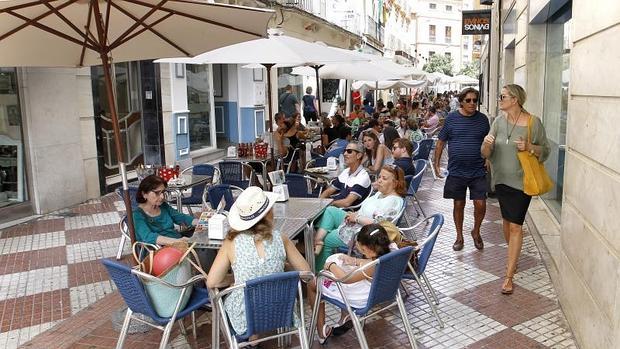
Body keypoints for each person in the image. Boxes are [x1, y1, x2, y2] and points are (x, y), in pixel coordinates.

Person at [207, 186, 311, 335]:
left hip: (244, 318)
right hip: (281, 311)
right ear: (268, 213)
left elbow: (212, 282)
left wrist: (235, 279)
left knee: (225, 301)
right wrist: (281, 269)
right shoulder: (282, 239)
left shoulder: (231, 243)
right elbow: (306, 272)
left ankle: (251, 338)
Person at [481, 84, 550, 295]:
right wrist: (486, 144)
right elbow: (485, 153)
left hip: (522, 182)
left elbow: (545, 150)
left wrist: (529, 147)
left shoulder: (533, 122)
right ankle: (513, 257)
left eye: (503, 96)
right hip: (501, 180)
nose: (499, 99)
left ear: (515, 100)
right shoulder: (499, 122)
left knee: (516, 227)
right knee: (506, 222)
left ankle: (509, 275)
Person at [307, 224, 395, 343]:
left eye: (361, 249)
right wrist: (354, 261)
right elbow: (370, 261)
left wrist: (331, 266)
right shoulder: (393, 251)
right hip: (383, 292)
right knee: (343, 275)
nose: (360, 251)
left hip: (363, 298)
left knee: (314, 283)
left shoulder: (372, 266)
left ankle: (321, 331)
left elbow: (345, 279)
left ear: (367, 249)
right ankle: (345, 315)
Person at [314, 165, 405, 270]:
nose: (379, 180)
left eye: (384, 178)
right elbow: (365, 210)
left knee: (328, 239)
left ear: (395, 183)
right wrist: (353, 214)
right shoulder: (380, 194)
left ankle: (320, 271)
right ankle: (318, 240)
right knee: (330, 211)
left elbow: (379, 225)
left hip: (365, 232)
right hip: (357, 221)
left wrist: (356, 218)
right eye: (379, 177)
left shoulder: (393, 201)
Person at [434, 87, 490, 252]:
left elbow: (488, 142)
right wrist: (436, 164)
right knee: (458, 204)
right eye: (468, 100)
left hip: (478, 170)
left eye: (475, 100)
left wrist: (488, 159)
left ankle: (476, 231)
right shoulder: (451, 119)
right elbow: (441, 142)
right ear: (461, 101)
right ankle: (459, 236)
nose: (472, 103)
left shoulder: (483, 120)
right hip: (456, 171)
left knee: (481, 204)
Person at [133, 175, 198, 245]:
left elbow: (180, 217)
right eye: (157, 193)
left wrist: (202, 223)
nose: (162, 196)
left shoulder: (163, 206)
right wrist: (178, 241)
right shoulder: (137, 215)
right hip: (159, 250)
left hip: (176, 242)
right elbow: (148, 237)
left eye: (163, 192)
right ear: (144, 194)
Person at [320, 142, 371, 208]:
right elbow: (328, 191)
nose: (344, 154)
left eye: (349, 151)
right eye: (345, 151)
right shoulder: (346, 171)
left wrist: (327, 204)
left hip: (346, 212)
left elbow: (347, 203)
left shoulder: (363, 177)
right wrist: (319, 201)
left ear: (359, 155)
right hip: (334, 207)